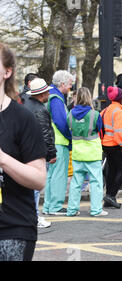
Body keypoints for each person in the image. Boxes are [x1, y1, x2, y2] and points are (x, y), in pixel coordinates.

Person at [0, 42, 47, 261]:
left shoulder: (22, 118)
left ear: (7, 72)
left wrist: (2, 159)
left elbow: (38, 179)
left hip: (12, 228)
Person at [66, 87, 107, 217]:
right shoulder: (95, 114)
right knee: (95, 182)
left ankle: (72, 209)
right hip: (92, 153)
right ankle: (96, 210)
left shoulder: (70, 114)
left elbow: (69, 128)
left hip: (78, 152)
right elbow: (100, 128)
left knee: (76, 183)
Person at [22, 78, 56, 229]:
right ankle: (33, 217)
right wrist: (51, 154)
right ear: (42, 93)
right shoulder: (40, 110)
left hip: (23, 151)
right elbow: (45, 134)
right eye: (47, 91)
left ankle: (28, 215)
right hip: (36, 153)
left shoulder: (25, 104)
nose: (49, 93)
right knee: (35, 188)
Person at [42, 70, 74, 216]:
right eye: (69, 84)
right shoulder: (57, 98)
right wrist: (70, 137)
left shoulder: (52, 95)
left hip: (53, 142)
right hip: (59, 142)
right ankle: (55, 206)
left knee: (52, 175)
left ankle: (49, 205)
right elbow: (61, 122)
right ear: (62, 84)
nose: (70, 88)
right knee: (59, 175)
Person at [101, 86, 122, 209]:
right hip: (116, 145)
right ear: (121, 98)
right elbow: (119, 133)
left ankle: (109, 198)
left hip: (106, 144)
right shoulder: (118, 112)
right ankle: (111, 195)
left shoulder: (106, 110)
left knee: (112, 171)